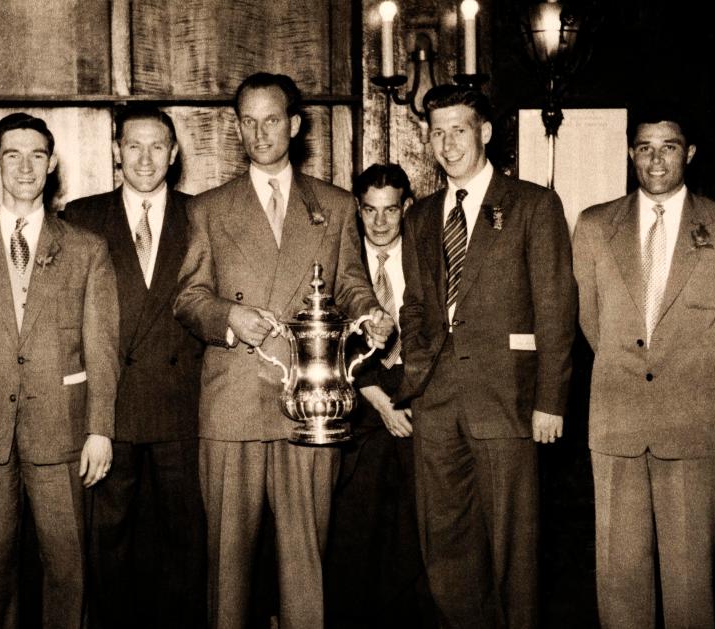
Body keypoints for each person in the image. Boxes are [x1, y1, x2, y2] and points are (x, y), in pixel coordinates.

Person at [173, 72, 392, 629]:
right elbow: (188, 298)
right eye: (248, 121)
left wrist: (369, 312)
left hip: (310, 403)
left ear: (294, 125)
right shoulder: (208, 208)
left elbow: (350, 282)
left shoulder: (336, 204)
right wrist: (229, 316)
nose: (259, 132)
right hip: (233, 402)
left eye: (271, 120)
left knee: (305, 562)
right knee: (228, 568)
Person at [0, 112, 119, 629]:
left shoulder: (86, 249)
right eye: (13, 154)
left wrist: (99, 430)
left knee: (67, 568)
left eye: (37, 154)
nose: (25, 166)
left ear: (52, 163)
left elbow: (102, 349)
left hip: (63, 434)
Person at [394, 84, 577, 629]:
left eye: (459, 129)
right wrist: (415, 377)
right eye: (437, 132)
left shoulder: (532, 205)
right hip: (436, 403)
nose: (447, 143)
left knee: (512, 547)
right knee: (444, 543)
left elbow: (555, 310)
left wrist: (551, 401)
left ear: (485, 133)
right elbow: (414, 307)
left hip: (508, 399)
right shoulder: (421, 216)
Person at [572, 105, 715, 629]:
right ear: (630, 154)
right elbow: (589, 320)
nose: (656, 159)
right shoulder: (596, 225)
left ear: (688, 153)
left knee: (690, 581)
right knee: (619, 578)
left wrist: (697, 383)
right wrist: (630, 368)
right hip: (617, 420)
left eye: (668, 146)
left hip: (693, 421)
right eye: (644, 147)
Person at [63, 104, 206, 629]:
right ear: (117, 152)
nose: (145, 158)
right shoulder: (80, 216)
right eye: (133, 146)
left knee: (186, 539)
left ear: (173, 153)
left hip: (183, 404)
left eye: (157, 147)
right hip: (109, 404)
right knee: (108, 539)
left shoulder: (202, 213)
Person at [324, 163, 436, 628]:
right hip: (361, 400)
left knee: (414, 525)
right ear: (358, 209)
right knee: (357, 524)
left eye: (391, 210)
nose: (380, 222)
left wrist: (411, 393)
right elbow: (332, 334)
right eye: (369, 210)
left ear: (406, 208)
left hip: (419, 397)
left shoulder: (428, 254)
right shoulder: (340, 261)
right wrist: (380, 401)